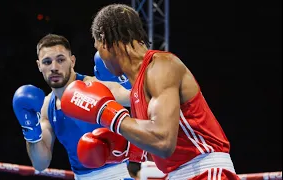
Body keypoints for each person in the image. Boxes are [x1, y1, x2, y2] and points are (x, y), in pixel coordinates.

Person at [60, 4, 240, 180]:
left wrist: (106, 113)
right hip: (179, 173)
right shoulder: (137, 88)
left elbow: (163, 142)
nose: (99, 54)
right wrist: (128, 151)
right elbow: (168, 148)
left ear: (105, 39)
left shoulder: (161, 67)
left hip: (206, 170)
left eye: (97, 46)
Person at [12, 34, 147, 180]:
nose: (54, 67)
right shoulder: (46, 107)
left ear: (72, 61)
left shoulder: (96, 86)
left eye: (60, 60)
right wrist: (30, 130)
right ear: (39, 66)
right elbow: (40, 164)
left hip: (117, 173)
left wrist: (125, 79)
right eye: (47, 62)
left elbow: (141, 97)